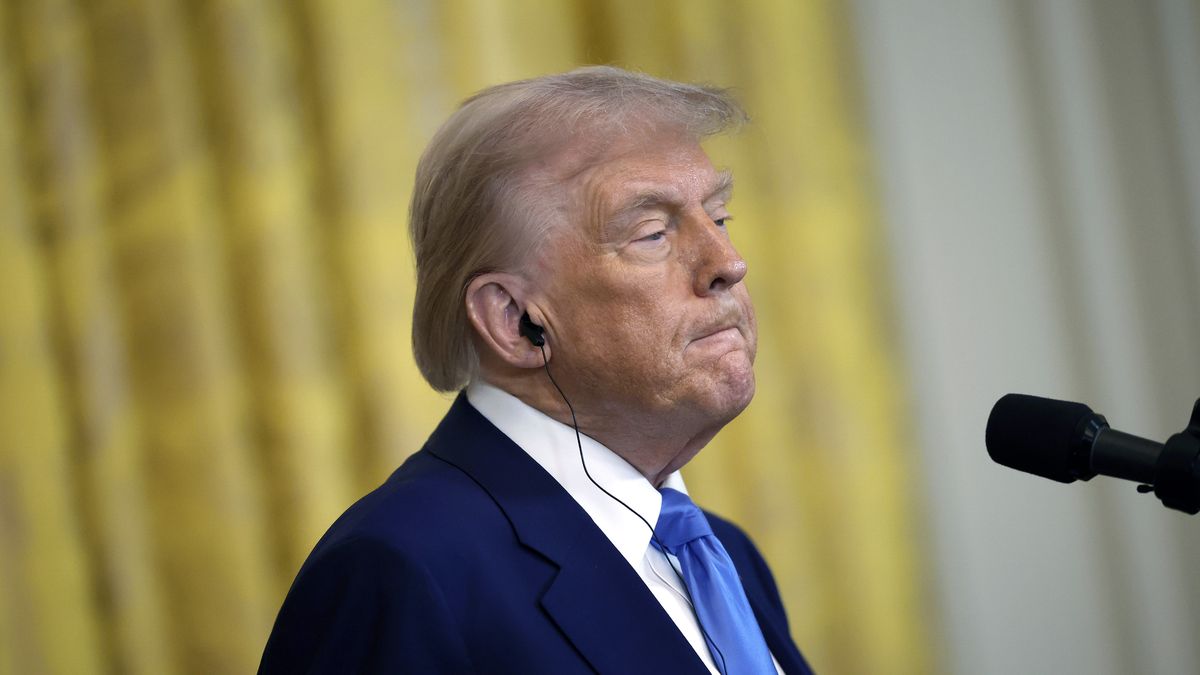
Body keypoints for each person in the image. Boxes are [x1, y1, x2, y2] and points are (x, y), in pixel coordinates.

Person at [259, 66, 814, 675]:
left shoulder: (722, 554)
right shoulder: (400, 570)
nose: (728, 264)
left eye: (720, 218)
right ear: (515, 319)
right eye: (653, 233)